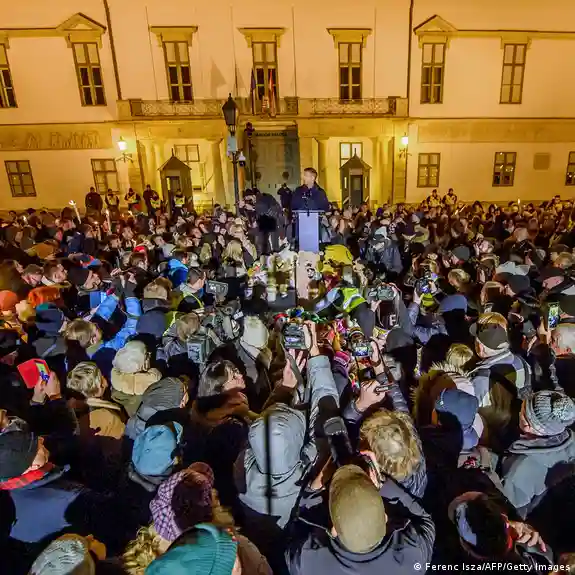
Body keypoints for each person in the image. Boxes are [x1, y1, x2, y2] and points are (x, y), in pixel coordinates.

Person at [287, 463, 435, 575]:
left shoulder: (306, 562)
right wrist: (383, 483)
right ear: (384, 517)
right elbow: (425, 521)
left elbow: (294, 531)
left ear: (334, 530)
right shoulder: (413, 555)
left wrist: (312, 489)